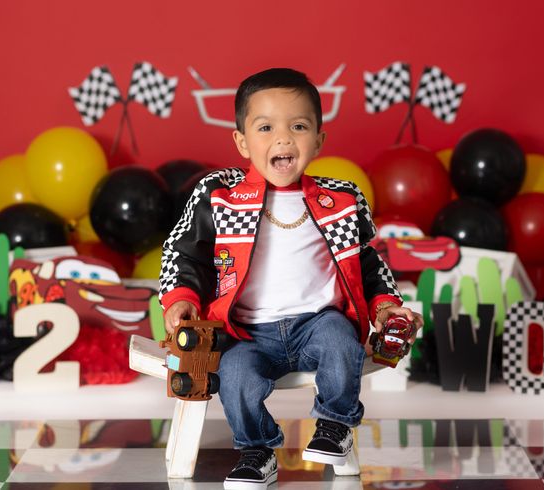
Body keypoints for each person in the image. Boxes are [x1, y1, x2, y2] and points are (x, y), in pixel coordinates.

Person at [159, 67, 421, 489]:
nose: (283, 139)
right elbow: (184, 251)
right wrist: (182, 299)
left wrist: (386, 305)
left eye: (298, 126)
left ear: (318, 139)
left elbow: (369, 264)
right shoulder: (220, 195)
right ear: (242, 141)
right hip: (247, 332)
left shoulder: (341, 199)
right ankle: (257, 451)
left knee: (341, 344)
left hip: (318, 320)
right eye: (265, 128)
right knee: (236, 378)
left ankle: (334, 427)